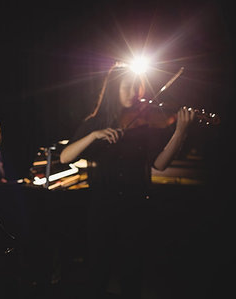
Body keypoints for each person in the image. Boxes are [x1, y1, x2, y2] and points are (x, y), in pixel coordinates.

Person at [60, 62, 195, 299]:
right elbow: (64, 157)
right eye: (128, 87)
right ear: (114, 88)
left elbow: (160, 164)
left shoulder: (144, 126)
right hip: (102, 211)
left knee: (132, 278)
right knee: (97, 276)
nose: (134, 93)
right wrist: (93, 136)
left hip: (136, 212)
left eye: (138, 87)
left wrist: (180, 132)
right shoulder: (96, 122)